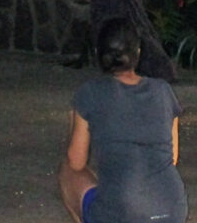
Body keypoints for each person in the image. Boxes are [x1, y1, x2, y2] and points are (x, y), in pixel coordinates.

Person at [58, 18, 187, 223]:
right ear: (137, 53)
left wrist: (74, 124)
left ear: (99, 54)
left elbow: (76, 161)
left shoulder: (90, 93)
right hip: (172, 210)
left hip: (124, 213)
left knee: (68, 172)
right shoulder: (163, 91)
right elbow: (171, 157)